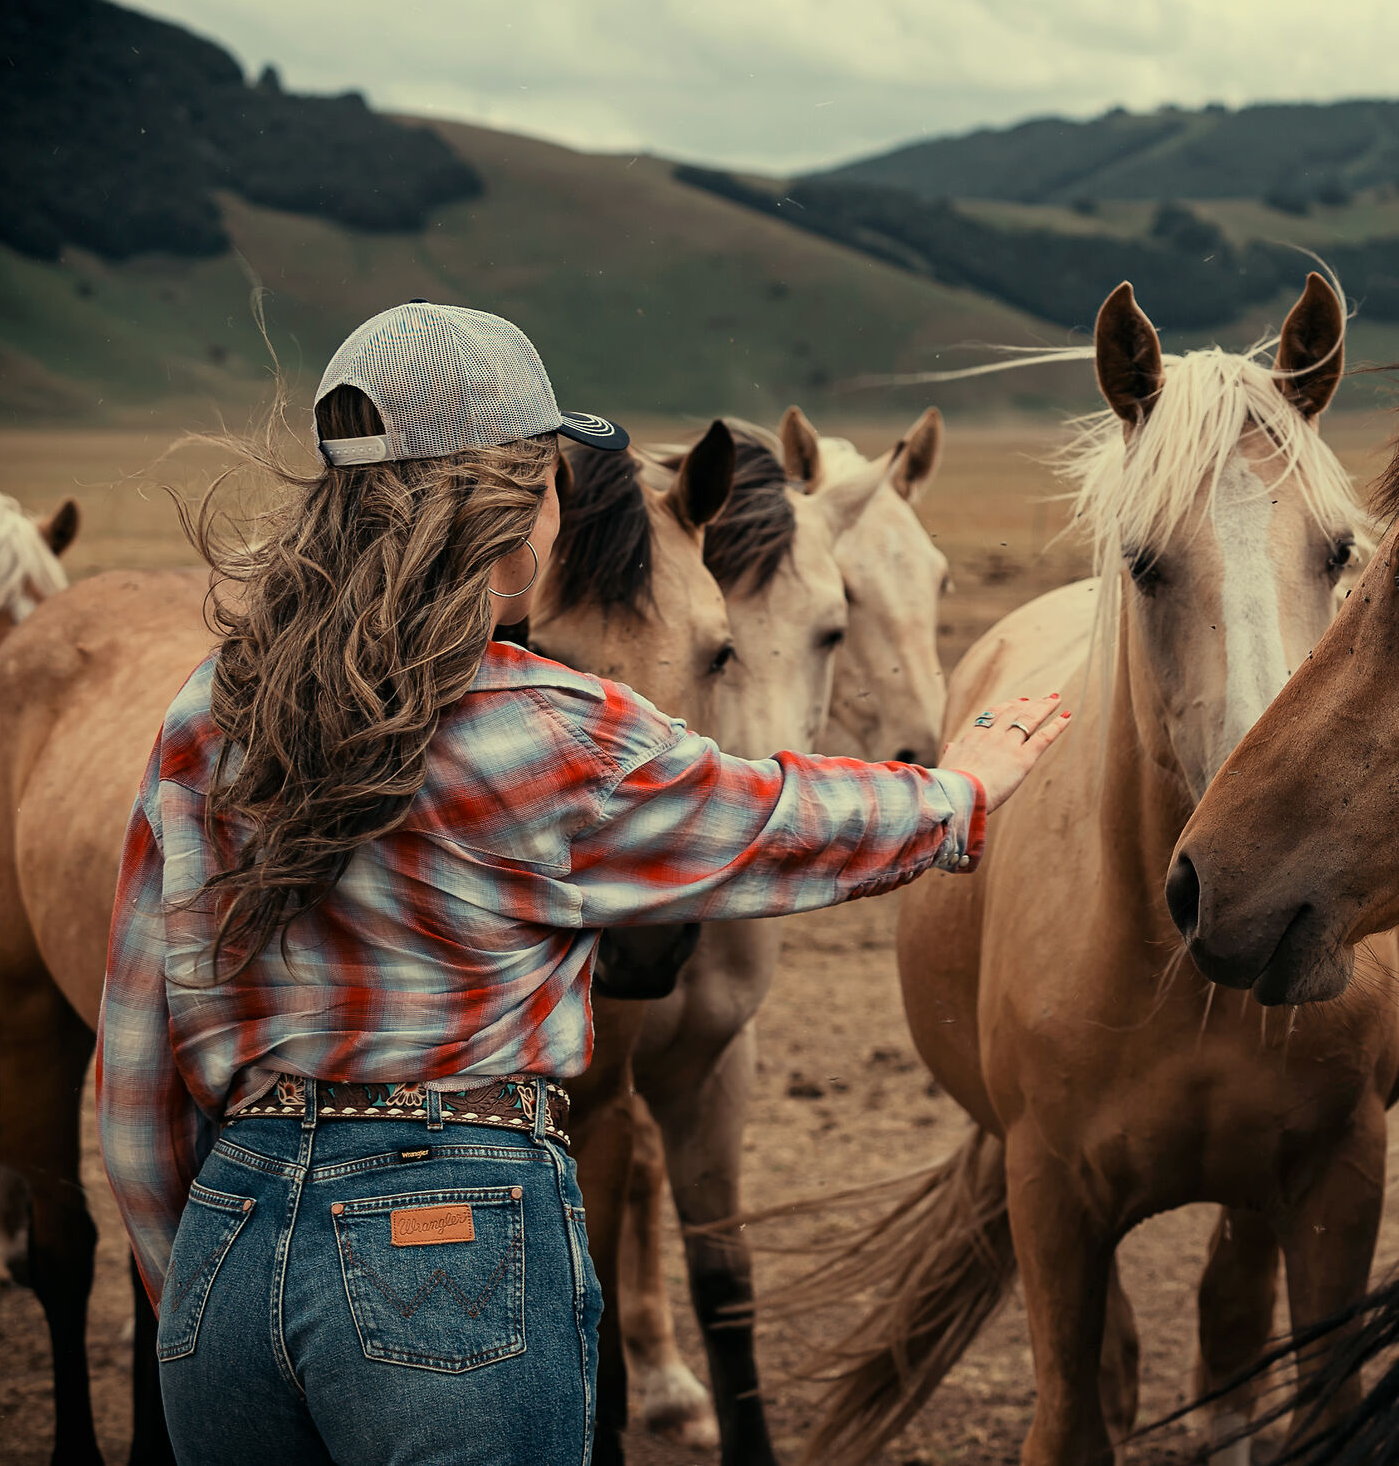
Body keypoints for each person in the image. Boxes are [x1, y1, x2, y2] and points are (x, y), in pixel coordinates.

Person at [96, 302, 1069, 1466]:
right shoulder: (543, 727)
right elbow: (772, 822)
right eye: (553, 480)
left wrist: (195, 1281)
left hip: (228, 1244)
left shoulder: (208, 713)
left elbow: (138, 1069)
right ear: (511, 518)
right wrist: (962, 789)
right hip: (446, 1231)